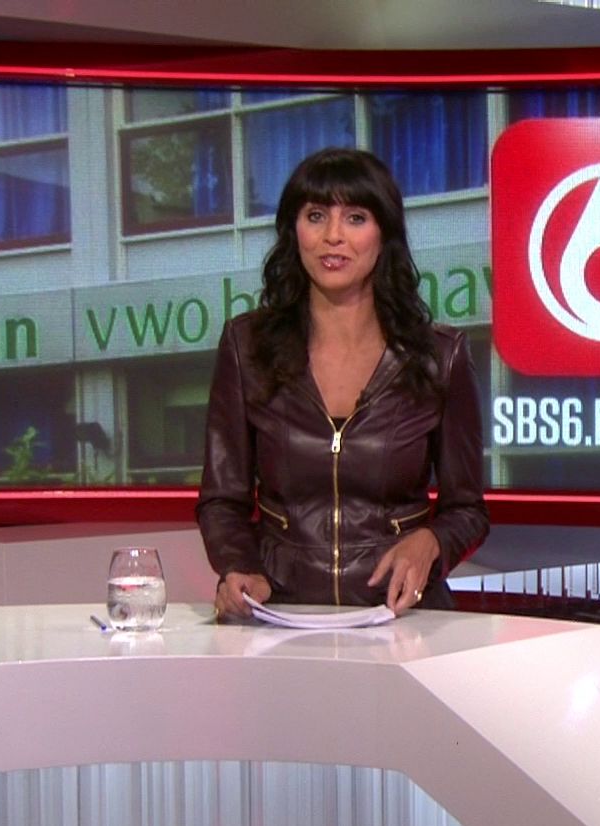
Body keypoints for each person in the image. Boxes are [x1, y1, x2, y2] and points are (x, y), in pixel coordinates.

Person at [198, 148, 487, 618]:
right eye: (316, 216)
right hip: (282, 613)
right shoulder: (246, 346)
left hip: (400, 619)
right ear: (294, 230)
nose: (333, 236)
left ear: (383, 233)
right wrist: (239, 566)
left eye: (355, 218)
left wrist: (431, 541)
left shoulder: (438, 356)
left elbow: (468, 511)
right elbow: (221, 500)